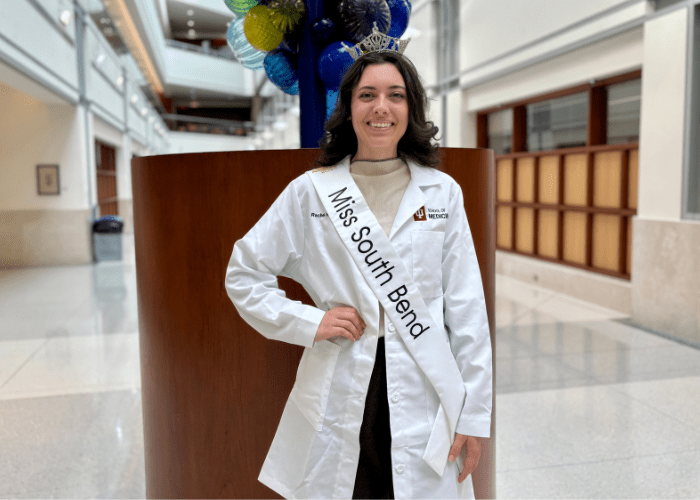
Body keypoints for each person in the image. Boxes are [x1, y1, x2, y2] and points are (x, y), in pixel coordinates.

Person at [225, 48, 492, 499]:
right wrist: (312, 322)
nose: (381, 108)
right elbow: (243, 273)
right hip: (345, 380)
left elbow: (467, 311)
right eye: (367, 95)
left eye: (395, 95)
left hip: (426, 380)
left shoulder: (442, 192)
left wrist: (473, 416)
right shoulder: (311, 192)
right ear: (349, 107)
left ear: (412, 108)